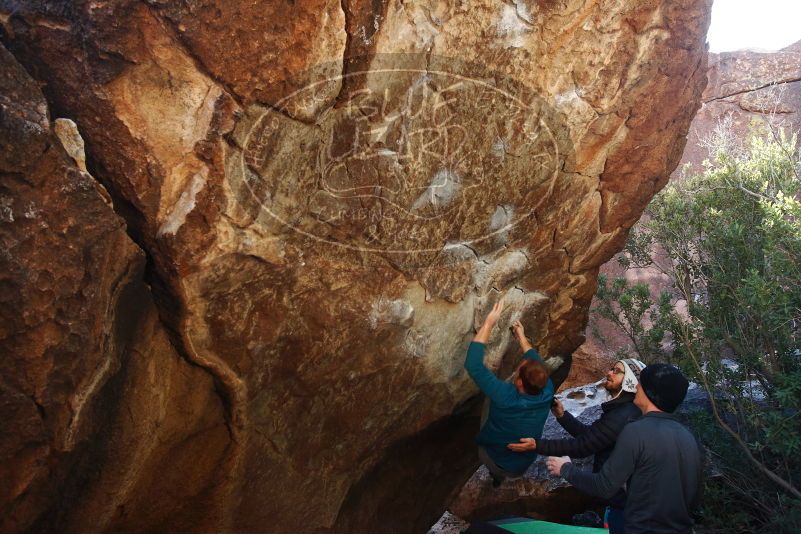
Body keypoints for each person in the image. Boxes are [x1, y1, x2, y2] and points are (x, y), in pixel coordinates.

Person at [546, 364, 703, 534]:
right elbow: (693, 499)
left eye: (641, 384)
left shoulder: (635, 430)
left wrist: (565, 468)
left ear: (650, 392)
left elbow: (603, 486)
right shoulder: (688, 437)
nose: (636, 387)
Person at [506, 357, 645, 532]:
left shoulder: (623, 415)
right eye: (611, 369)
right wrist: (562, 415)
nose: (609, 373)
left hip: (627, 508)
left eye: (616, 371)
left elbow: (583, 446)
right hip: (622, 504)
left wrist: (537, 446)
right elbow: (591, 437)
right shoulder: (621, 411)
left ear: (631, 380)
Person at [464, 299, 554, 486]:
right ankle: (499, 478)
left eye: (519, 369)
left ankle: (495, 475)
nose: (521, 362)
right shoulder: (547, 388)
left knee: (490, 398)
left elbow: (473, 365)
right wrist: (521, 336)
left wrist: (489, 323)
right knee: (496, 397)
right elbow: (534, 360)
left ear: (519, 382)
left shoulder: (504, 395)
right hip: (524, 463)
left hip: (493, 458)